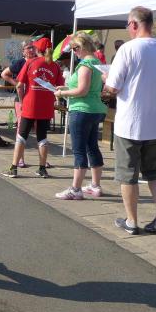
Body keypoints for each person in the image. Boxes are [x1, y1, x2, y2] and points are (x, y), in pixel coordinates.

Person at [105, 7, 156, 235]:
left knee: (128, 174)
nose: (128, 29)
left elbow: (112, 88)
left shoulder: (127, 49)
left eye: (128, 24)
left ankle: (131, 221)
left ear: (134, 24)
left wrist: (106, 77)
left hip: (130, 123)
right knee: (155, 171)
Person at [54, 32, 107, 199]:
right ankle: (95, 185)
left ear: (82, 47)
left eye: (75, 48)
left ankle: (75, 189)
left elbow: (82, 90)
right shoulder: (97, 62)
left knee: (79, 150)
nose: (74, 52)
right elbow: (88, 88)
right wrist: (65, 88)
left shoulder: (85, 64)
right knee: (92, 147)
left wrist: (63, 93)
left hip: (81, 110)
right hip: (95, 109)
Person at [1, 37, 62, 179]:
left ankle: (14, 168)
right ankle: (42, 169)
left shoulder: (31, 62)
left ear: (37, 49)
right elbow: (59, 87)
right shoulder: (55, 66)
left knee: (21, 136)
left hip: (30, 105)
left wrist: (22, 102)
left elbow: (19, 85)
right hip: (46, 106)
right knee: (42, 137)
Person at [1, 42, 37, 168]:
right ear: (23, 51)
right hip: (21, 99)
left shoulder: (39, 61)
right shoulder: (20, 63)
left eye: (33, 47)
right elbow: (4, 74)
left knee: (39, 128)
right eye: (28, 48)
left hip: (36, 99)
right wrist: (16, 83)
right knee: (22, 128)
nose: (31, 50)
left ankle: (42, 160)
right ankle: (20, 158)